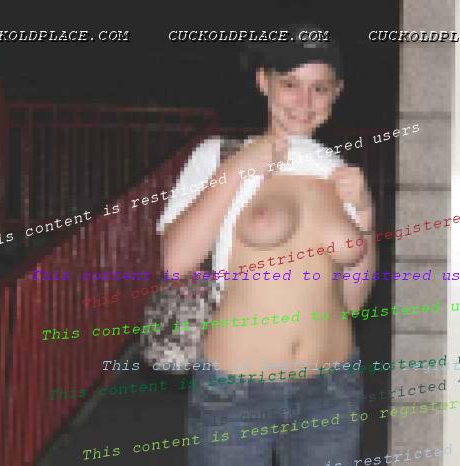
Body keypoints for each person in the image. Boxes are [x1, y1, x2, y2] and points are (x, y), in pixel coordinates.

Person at [157, 24, 376, 466]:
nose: (304, 101)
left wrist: (366, 212)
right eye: (290, 84)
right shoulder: (220, 155)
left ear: (337, 93)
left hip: (332, 388)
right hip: (236, 392)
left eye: (319, 88)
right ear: (263, 81)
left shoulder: (340, 173)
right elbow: (176, 262)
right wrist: (236, 170)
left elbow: (353, 301)